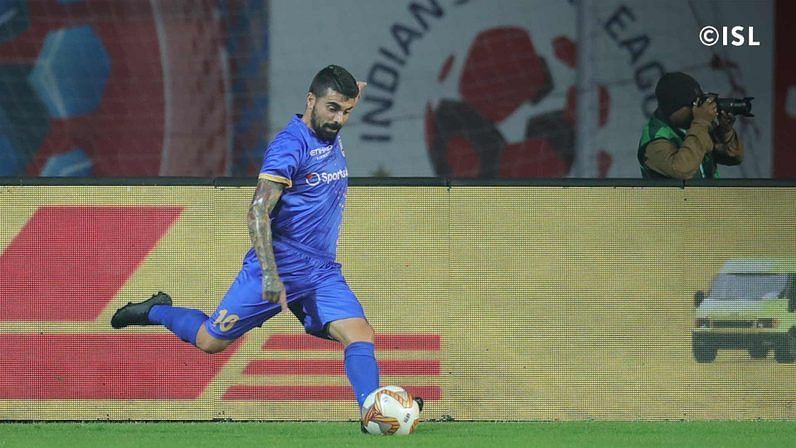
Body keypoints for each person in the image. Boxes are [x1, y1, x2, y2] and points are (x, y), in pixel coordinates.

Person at [111, 65, 421, 426]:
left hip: (320, 271)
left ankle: (372, 410)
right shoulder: (290, 147)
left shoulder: (330, 126)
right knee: (211, 341)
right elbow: (257, 212)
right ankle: (153, 311)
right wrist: (272, 276)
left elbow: (347, 93)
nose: (339, 119)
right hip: (274, 270)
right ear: (311, 101)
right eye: (333, 108)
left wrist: (354, 91)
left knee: (360, 334)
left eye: (347, 111)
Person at [638, 72, 744, 179]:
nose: (698, 109)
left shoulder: (696, 124)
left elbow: (734, 156)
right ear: (674, 109)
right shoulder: (655, 138)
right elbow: (681, 170)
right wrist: (701, 123)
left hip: (709, 195)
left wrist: (725, 132)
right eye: (694, 104)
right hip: (681, 196)